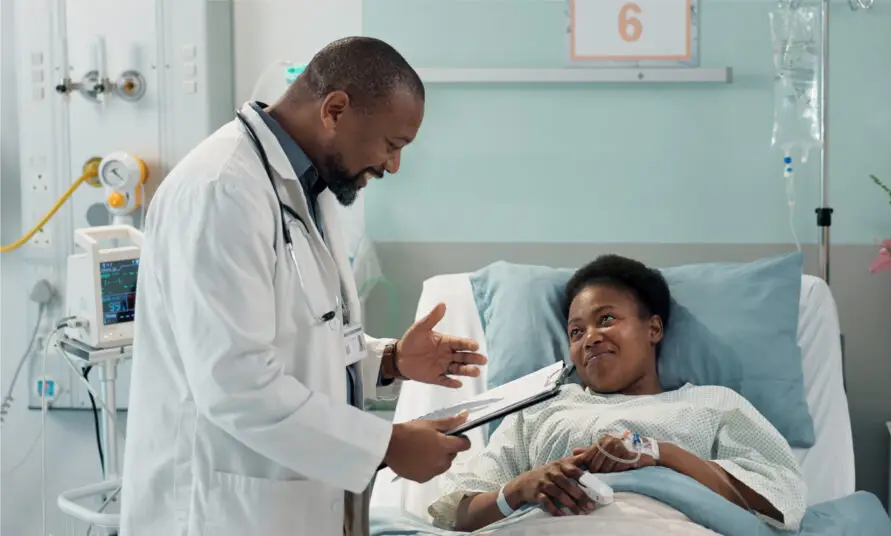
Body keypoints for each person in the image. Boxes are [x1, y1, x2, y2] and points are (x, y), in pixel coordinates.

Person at [119, 37, 487, 536]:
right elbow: (236, 385)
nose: (393, 165)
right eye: (391, 144)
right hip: (217, 511)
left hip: (288, 506)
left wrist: (391, 360)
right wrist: (389, 445)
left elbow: (305, 339)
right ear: (335, 109)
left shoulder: (309, 190)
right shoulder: (221, 190)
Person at [428, 254, 807, 533]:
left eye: (606, 319)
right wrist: (521, 488)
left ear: (653, 329)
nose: (590, 338)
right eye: (576, 332)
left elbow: (777, 500)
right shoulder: (539, 411)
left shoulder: (713, 403)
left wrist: (657, 453)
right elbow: (458, 514)